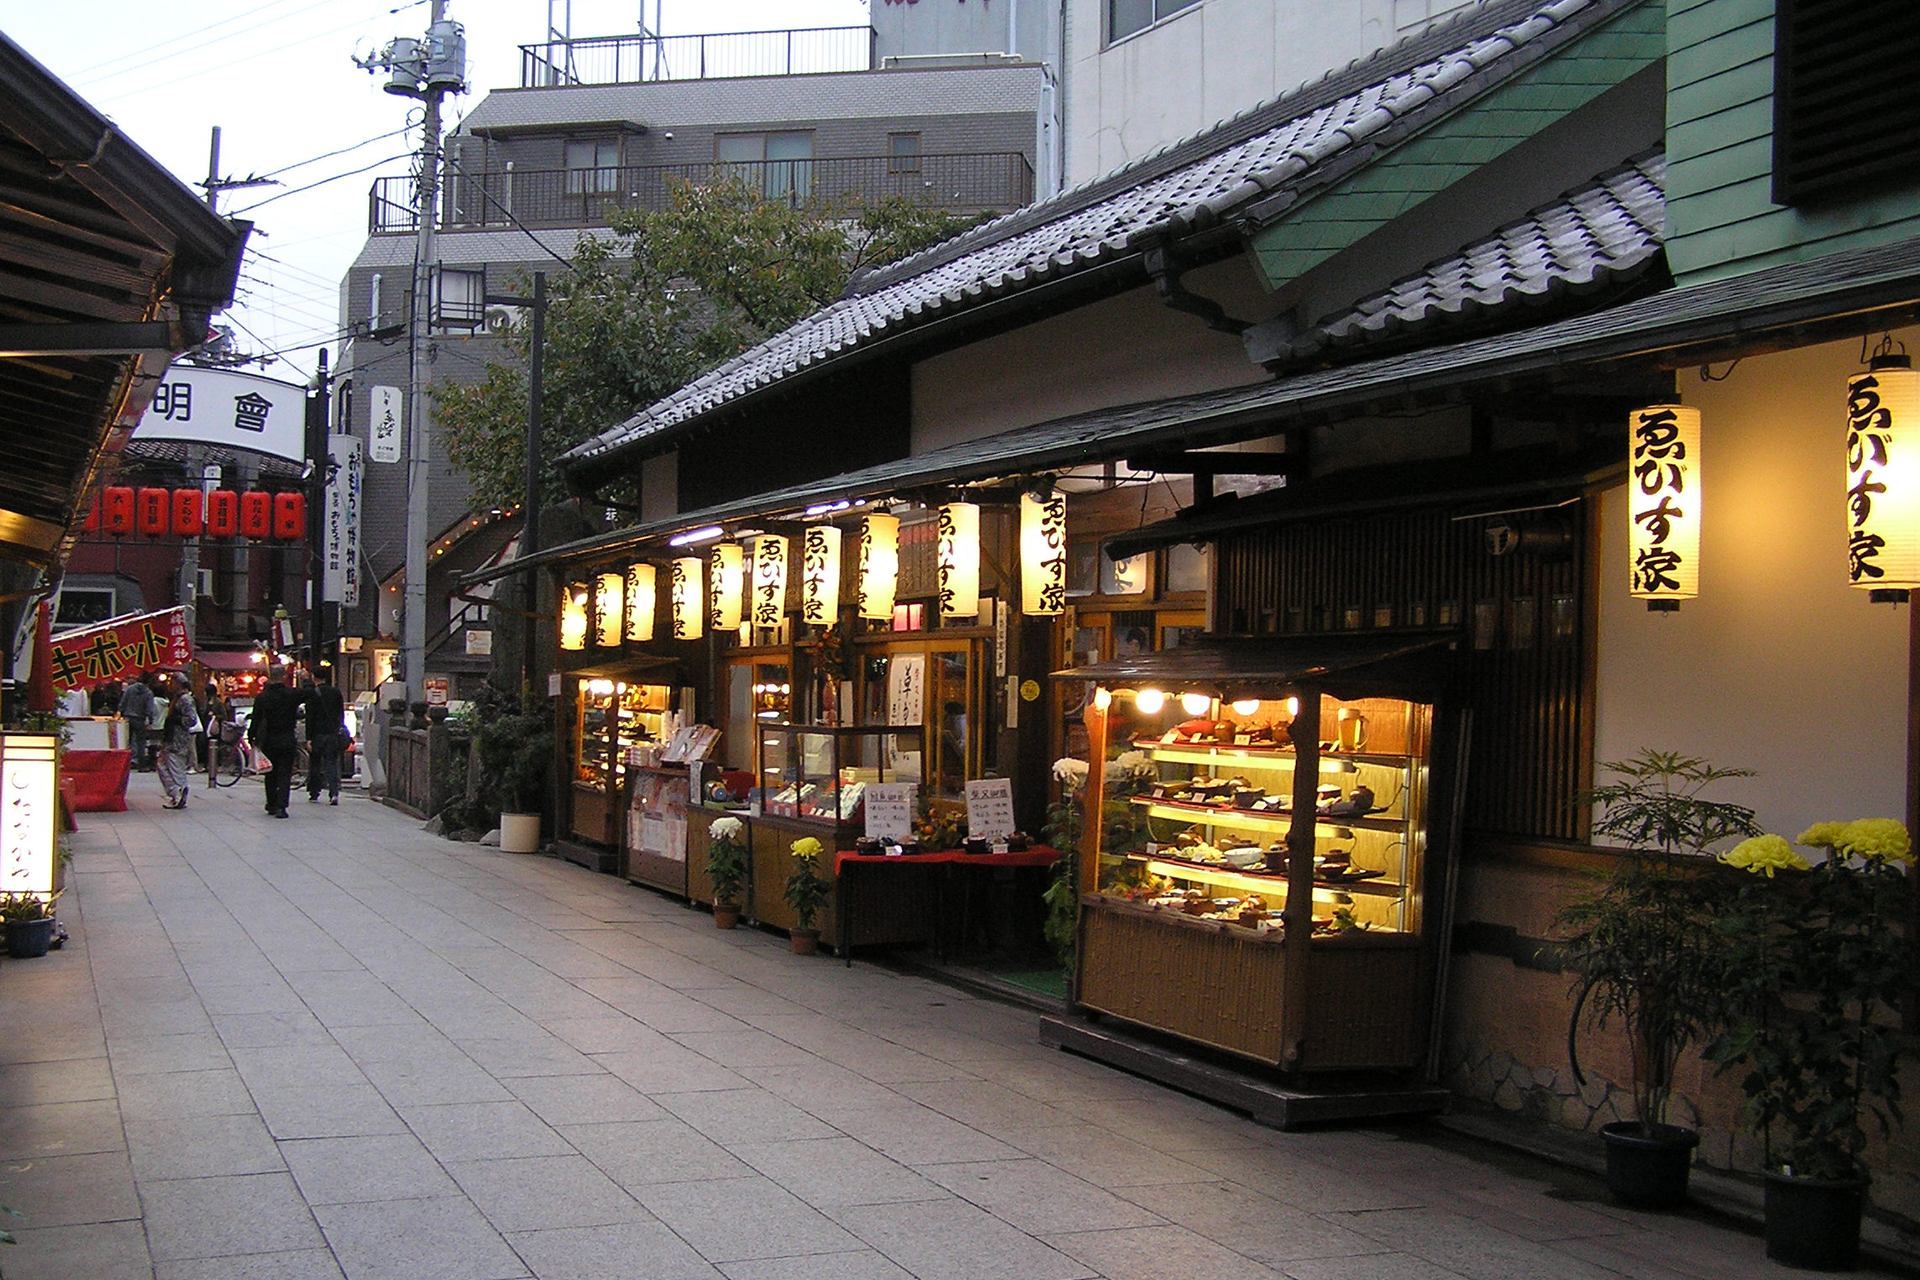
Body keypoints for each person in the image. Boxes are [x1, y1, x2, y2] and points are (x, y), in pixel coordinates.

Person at [247, 665, 304, 819]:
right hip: (287, 737)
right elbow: (309, 694)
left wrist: (252, 737)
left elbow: (256, 720)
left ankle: (271, 803)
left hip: (269, 739)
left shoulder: (262, 697)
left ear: (270, 676)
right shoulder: (291, 694)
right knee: (285, 773)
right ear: (284, 676)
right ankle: (282, 806)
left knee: (270, 772)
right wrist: (305, 679)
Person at [155, 674, 199, 810]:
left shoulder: (185, 699)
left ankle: (178, 791)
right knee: (163, 765)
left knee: (174, 766)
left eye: (172, 682)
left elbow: (192, 719)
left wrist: (177, 720)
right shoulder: (177, 698)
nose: (170, 685)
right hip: (170, 737)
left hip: (177, 738)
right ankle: (176, 791)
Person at [305, 670, 347, 805]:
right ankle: (334, 792)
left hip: (317, 734)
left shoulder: (313, 694)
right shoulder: (336, 692)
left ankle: (314, 793)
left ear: (313, 676)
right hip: (333, 733)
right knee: (331, 763)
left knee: (315, 763)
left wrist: (309, 737)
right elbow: (341, 713)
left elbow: (310, 717)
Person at [118, 673, 154, 770]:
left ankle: (125, 763)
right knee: (141, 742)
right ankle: (141, 764)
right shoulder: (148, 693)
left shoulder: (130, 689)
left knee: (127, 741)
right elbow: (149, 709)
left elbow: (123, 702)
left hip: (128, 717)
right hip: (140, 718)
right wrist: (150, 720)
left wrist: (120, 713)